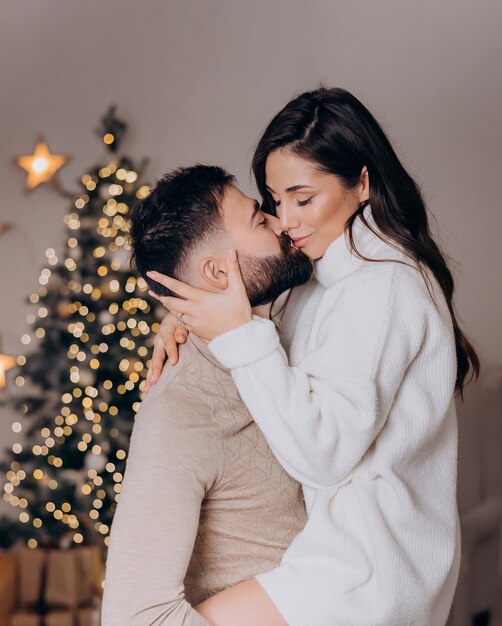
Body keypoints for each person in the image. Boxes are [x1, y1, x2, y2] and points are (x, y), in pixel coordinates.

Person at [146, 87, 480, 626]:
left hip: (370, 571)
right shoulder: (321, 278)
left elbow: (323, 452)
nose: (287, 220)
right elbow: (264, 322)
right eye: (276, 201)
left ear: (362, 183)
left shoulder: (384, 284)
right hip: (339, 556)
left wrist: (235, 334)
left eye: (304, 198)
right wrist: (187, 318)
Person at [101, 165, 313, 625]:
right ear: (219, 271)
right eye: (260, 219)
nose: (283, 223)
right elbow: (136, 617)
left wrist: (176, 317)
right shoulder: (181, 414)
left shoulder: (283, 323)